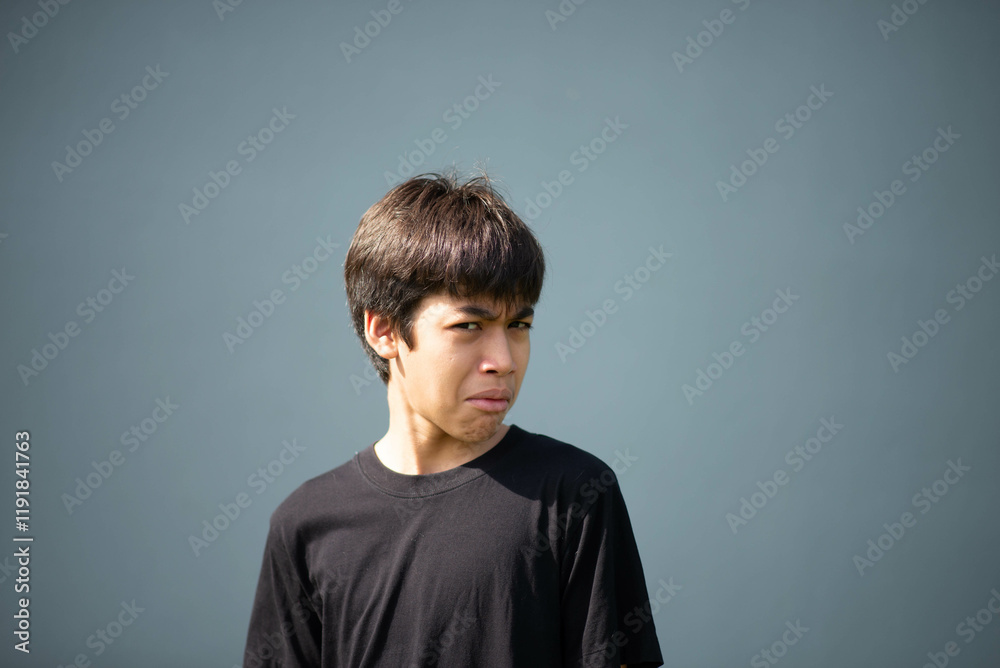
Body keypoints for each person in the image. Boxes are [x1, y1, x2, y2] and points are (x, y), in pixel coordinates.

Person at [243, 168, 664, 667]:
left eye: (519, 325)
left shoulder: (575, 495)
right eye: (469, 325)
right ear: (384, 331)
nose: (504, 359)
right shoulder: (305, 524)